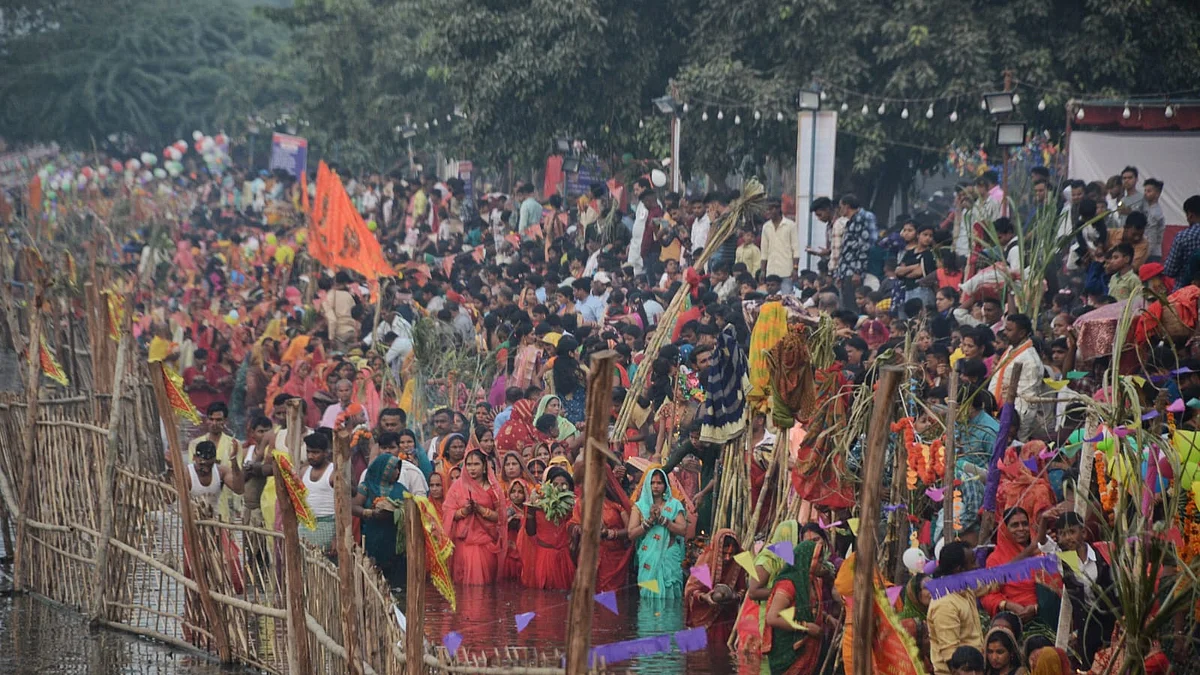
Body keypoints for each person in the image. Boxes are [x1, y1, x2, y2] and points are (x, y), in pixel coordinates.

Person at [734, 520, 800, 673]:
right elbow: (753, 591)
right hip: (760, 619)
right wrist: (784, 594)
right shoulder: (769, 559)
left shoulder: (785, 559)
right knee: (760, 664)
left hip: (774, 615)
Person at [762, 540, 829, 675]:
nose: (821, 563)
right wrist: (806, 627)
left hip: (807, 649)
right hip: (788, 651)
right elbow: (772, 618)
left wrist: (827, 617)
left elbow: (811, 608)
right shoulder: (788, 584)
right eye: (818, 560)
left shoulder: (813, 582)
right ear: (806, 560)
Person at [442, 449, 503, 585]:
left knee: (483, 590)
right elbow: (448, 513)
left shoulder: (493, 489)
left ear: (484, 467)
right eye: (468, 464)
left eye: (476, 464)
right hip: (462, 544)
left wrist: (481, 510)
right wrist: (465, 511)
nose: (472, 468)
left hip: (485, 544)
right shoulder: (457, 487)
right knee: (463, 591)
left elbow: (500, 518)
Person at [629, 467, 687, 598]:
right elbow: (631, 534)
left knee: (671, 595)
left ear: (665, 485)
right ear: (647, 485)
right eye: (652, 483)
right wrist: (649, 521)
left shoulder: (674, 504)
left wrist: (663, 520)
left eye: (659, 483)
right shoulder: (639, 506)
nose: (655, 486)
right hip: (648, 557)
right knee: (648, 599)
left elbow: (683, 530)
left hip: (669, 557)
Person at [928, 541, 983, 675]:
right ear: (959, 570)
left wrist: (1030, 551)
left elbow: (997, 579)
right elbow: (951, 658)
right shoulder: (945, 604)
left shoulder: (965, 588)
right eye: (973, 562)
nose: (977, 566)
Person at [519, 466, 579, 589]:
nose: (559, 487)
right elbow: (530, 532)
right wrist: (531, 510)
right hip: (544, 556)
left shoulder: (575, 506)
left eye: (564, 484)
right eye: (555, 484)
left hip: (566, 556)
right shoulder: (539, 505)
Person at [354, 454, 408, 586]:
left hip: (394, 541)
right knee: (373, 577)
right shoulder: (366, 486)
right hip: (373, 538)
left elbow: (410, 508)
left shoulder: (400, 488)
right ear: (383, 469)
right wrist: (370, 513)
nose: (397, 472)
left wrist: (398, 511)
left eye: (398, 469)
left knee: (396, 582)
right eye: (394, 469)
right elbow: (354, 506)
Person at [684, 528, 747, 641]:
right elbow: (690, 590)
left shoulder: (738, 561)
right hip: (704, 617)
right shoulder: (705, 560)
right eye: (724, 553)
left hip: (727, 618)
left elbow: (743, 589)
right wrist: (705, 597)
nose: (727, 558)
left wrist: (734, 596)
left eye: (731, 554)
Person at [299, 431, 337, 552]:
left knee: (326, 566)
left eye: (315, 452)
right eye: (308, 452)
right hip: (305, 526)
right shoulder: (303, 471)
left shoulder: (333, 473)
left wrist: (337, 537)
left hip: (327, 526)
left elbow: (344, 506)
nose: (310, 456)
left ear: (326, 452)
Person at [187, 440, 244, 511]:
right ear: (194, 458)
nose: (206, 470)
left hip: (213, 518)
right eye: (202, 465)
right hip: (191, 519)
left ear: (214, 460)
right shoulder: (186, 473)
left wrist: (233, 460)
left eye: (210, 466)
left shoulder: (221, 471)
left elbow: (239, 490)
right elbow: (170, 500)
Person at [759, 198, 800, 293]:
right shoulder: (766, 227)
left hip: (787, 271)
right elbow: (764, 251)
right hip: (771, 271)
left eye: (769, 209)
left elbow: (796, 249)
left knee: (786, 299)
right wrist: (762, 270)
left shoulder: (790, 225)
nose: (767, 212)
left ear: (776, 209)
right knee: (771, 300)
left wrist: (795, 269)